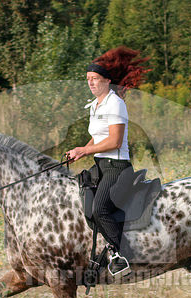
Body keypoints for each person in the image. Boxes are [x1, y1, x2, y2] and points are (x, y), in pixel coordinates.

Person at [66, 47, 149, 276]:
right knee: (83, 201)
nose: (91, 83)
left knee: (100, 208)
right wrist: (80, 150)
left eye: (95, 79)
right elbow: (98, 136)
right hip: (101, 165)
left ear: (107, 81)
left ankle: (121, 256)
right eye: (88, 80)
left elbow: (114, 141)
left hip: (117, 167)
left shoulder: (115, 104)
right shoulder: (95, 105)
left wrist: (85, 150)